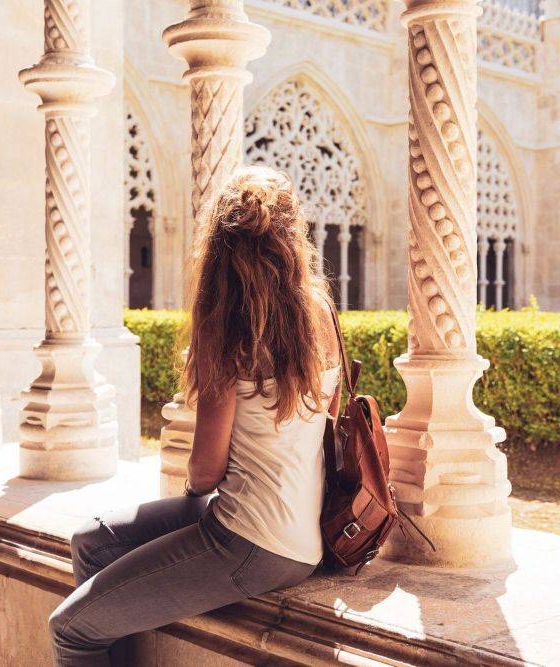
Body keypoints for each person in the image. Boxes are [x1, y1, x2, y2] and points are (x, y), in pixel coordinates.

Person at [48, 166, 343, 666]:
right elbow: (327, 421)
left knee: (71, 628)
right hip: (302, 531)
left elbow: (205, 471)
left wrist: (193, 497)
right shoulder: (321, 313)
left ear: (221, 254)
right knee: (92, 541)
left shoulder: (232, 331)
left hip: (251, 544)